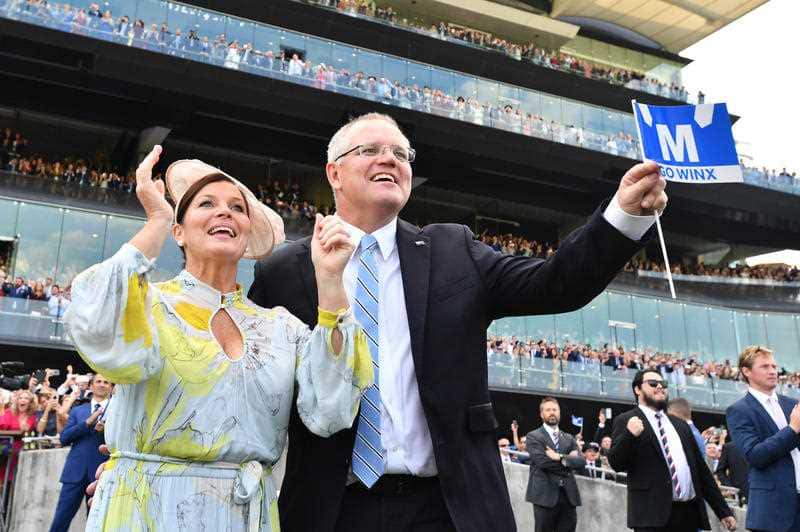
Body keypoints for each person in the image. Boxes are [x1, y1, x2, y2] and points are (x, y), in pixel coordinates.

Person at [249, 112, 669, 532]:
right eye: (371, 150)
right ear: (334, 173)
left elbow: (555, 284)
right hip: (331, 509)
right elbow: (252, 389)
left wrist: (623, 217)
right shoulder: (286, 272)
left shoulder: (452, 250)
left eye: (400, 153)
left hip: (447, 508)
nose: (390, 159)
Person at [65, 148, 372, 531]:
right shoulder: (149, 305)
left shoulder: (282, 328)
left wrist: (330, 280)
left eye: (237, 208)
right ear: (179, 231)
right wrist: (157, 220)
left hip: (243, 515)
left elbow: (332, 409)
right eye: (206, 203)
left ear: (245, 237)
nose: (224, 212)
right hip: (144, 512)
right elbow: (94, 323)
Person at [608, 369, 736, 532]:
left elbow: (701, 471)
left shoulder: (680, 425)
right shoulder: (626, 420)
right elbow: (616, 463)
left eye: (664, 384)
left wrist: (723, 511)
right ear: (637, 389)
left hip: (688, 515)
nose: (660, 387)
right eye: (653, 383)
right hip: (652, 518)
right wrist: (629, 435)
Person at [726, 346, 800, 531]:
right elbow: (755, 455)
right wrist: (792, 429)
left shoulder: (792, 404)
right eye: (765, 366)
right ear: (746, 371)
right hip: (774, 513)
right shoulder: (739, 411)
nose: (773, 371)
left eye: (774, 366)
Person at [49, 374, 113, 532]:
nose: (102, 384)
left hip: (100, 474)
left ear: (111, 388)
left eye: (106, 382)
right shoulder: (78, 410)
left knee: (96, 523)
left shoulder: (116, 411)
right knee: (61, 519)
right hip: (74, 472)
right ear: (91, 386)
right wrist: (87, 423)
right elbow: (64, 438)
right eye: (98, 381)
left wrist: (107, 431)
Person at [525, 397, 585, 532]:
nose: (552, 412)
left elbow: (581, 462)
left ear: (559, 413)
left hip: (568, 498)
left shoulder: (569, 438)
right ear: (541, 414)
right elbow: (543, 463)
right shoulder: (533, 436)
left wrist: (560, 457)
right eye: (548, 410)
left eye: (555, 409)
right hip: (545, 497)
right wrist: (569, 462)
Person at [715, 438, 749, 506]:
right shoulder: (729, 447)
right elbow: (720, 471)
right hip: (740, 494)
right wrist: (730, 487)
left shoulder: (764, 445)